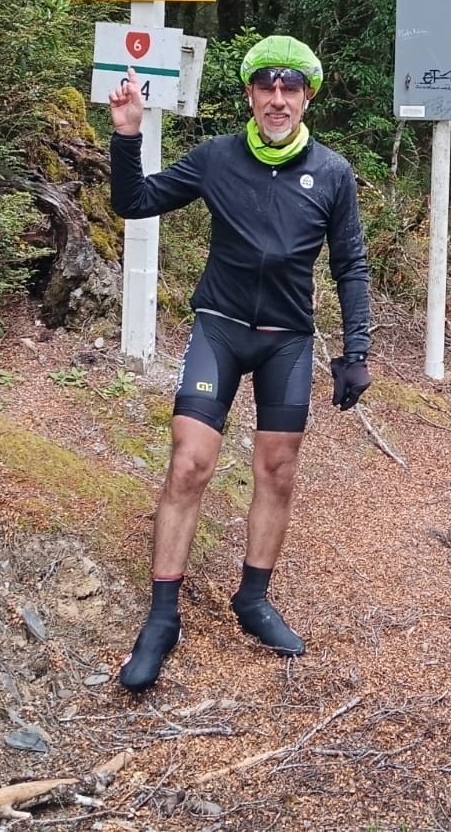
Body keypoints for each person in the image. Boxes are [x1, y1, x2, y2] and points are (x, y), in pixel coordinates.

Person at [107, 34, 373, 692]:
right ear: (251, 95)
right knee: (189, 463)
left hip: (287, 340)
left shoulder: (332, 173)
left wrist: (357, 351)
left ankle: (252, 600)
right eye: (266, 88)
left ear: (307, 97)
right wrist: (127, 134)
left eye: (290, 89)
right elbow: (134, 201)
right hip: (220, 329)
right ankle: (161, 619)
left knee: (277, 472)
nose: (277, 100)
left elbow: (350, 264)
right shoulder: (217, 158)